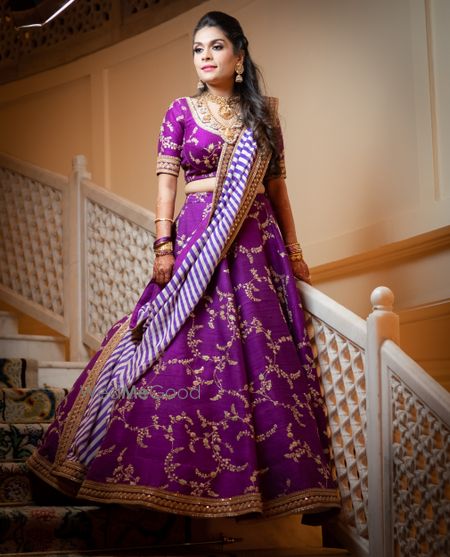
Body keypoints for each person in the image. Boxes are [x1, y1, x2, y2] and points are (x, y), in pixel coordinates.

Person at [27, 11, 341, 522]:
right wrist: (163, 246)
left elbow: (278, 189)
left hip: (255, 247)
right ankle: (134, 466)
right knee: (170, 351)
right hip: (198, 239)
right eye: (198, 49)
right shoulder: (180, 111)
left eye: (216, 47)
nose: (206, 57)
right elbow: (166, 186)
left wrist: (297, 251)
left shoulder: (263, 118)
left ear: (239, 56)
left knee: (261, 359)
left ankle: (266, 487)